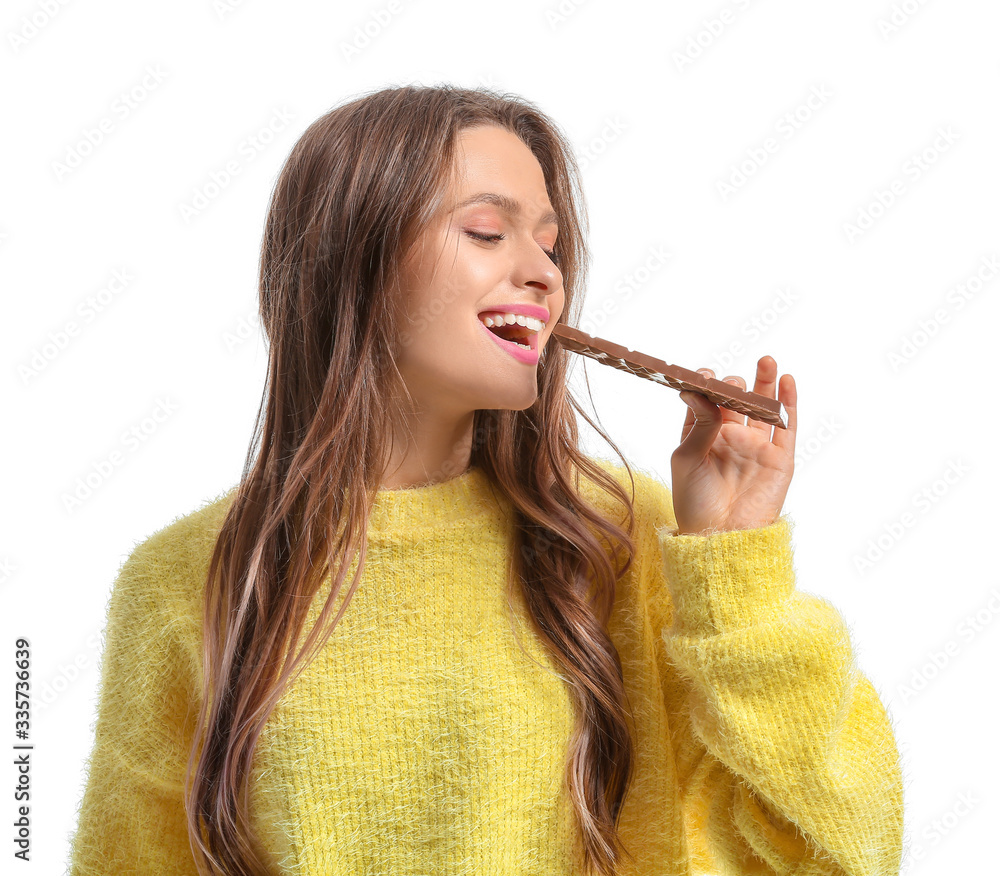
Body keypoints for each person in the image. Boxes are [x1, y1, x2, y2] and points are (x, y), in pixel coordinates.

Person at [67, 84, 904, 876]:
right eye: (485, 231)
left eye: (549, 241)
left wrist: (732, 572)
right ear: (351, 261)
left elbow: (842, 848)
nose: (544, 273)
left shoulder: (619, 541)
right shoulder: (184, 580)